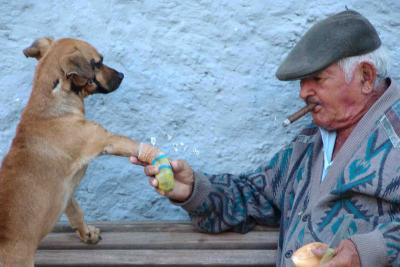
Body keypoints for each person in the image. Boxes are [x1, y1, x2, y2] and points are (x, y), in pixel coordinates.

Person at [130, 10, 400, 266]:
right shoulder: (309, 143)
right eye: (302, 81)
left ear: (366, 77)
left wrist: (369, 251)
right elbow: (254, 196)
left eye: (317, 78)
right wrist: (193, 190)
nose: (303, 93)